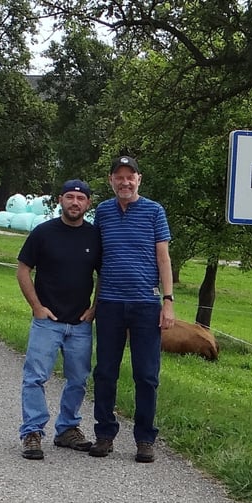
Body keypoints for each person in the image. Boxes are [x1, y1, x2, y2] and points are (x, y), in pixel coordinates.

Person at [90, 155, 175, 462]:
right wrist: (93, 303)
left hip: (145, 304)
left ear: (139, 179)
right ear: (111, 180)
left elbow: (163, 257)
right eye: (119, 177)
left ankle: (145, 439)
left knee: (147, 375)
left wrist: (168, 301)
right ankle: (104, 434)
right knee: (104, 372)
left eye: (130, 176)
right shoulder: (103, 212)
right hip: (110, 303)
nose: (125, 182)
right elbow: (98, 260)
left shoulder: (154, 211)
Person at [17, 179, 102, 460]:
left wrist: (95, 308)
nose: (75, 202)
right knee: (35, 378)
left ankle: (67, 428)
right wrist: (37, 307)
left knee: (78, 380)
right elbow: (23, 270)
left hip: (80, 324)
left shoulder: (94, 236)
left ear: (88, 203)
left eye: (80, 198)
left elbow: (103, 274)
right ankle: (32, 432)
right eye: (69, 197)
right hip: (47, 322)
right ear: (60, 200)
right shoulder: (43, 233)